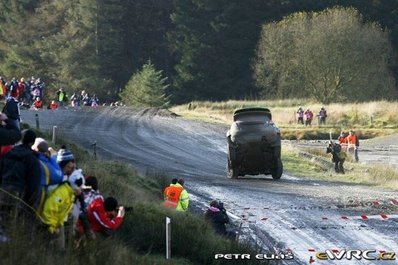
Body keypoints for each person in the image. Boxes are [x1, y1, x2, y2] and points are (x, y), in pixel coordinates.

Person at [31, 138, 63, 213]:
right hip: (36, 200)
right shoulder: (45, 164)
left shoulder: (33, 159)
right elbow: (59, 175)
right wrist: (53, 157)